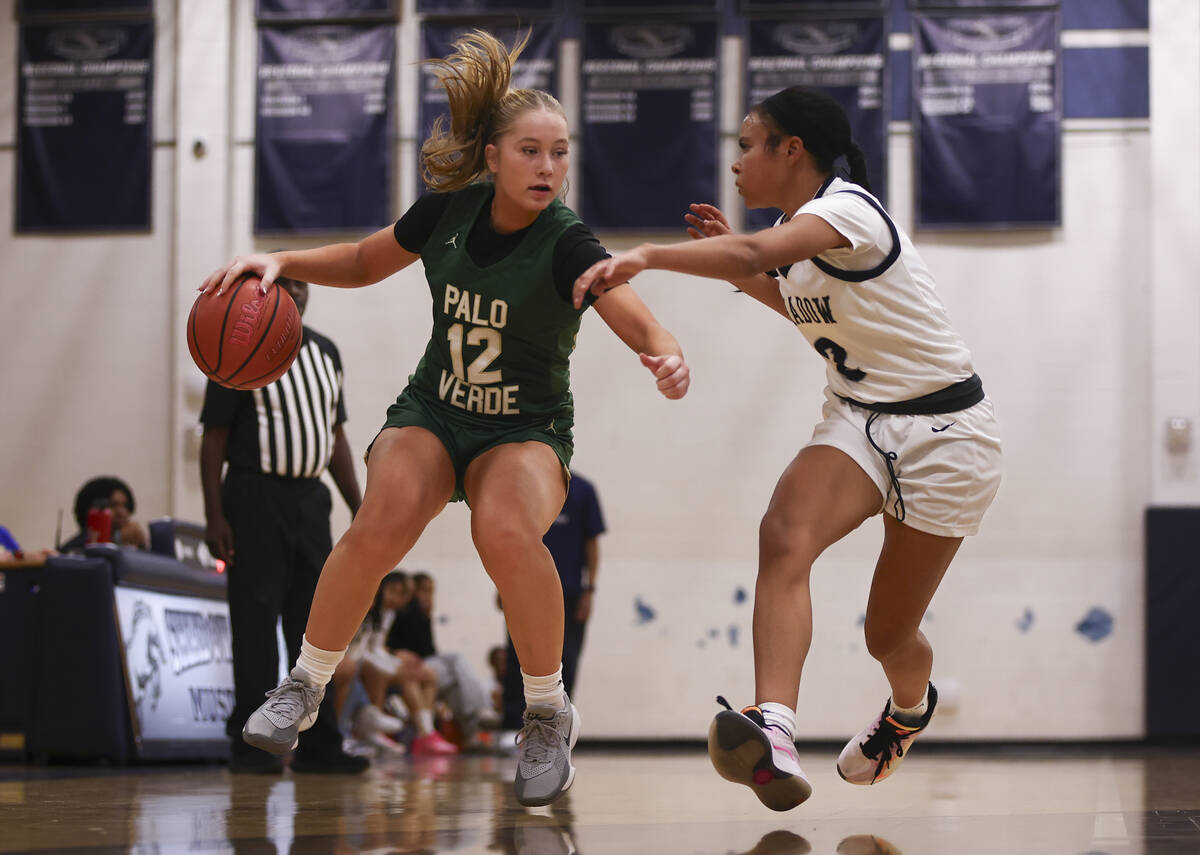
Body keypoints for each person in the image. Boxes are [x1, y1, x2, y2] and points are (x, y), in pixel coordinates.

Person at [199, 29, 690, 806]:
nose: (548, 167)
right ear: (492, 156)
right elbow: (365, 261)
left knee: (502, 531)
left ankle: (546, 710)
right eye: (531, 151)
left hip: (523, 428)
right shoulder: (449, 214)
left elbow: (626, 307)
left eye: (560, 153)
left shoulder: (565, 241)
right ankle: (305, 683)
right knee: (380, 520)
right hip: (435, 406)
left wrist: (663, 349)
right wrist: (280, 261)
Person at [574, 86, 1002, 810]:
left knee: (887, 633)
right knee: (783, 533)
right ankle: (774, 724)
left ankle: (908, 708)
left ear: (790, 150)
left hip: (948, 435)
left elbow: (749, 249)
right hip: (861, 418)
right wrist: (748, 272)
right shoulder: (796, 235)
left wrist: (648, 255)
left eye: (748, 144)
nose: (736, 160)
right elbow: (783, 287)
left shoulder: (849, 210)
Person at [199, 274, 369, 775]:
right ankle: (250, 745)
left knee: (317, 625)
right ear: (263, 294)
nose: (295, 291)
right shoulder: (236, 351)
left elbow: (334, 435)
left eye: (301, 284)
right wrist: (214, 514)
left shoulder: (326, 352)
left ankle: (320, 745)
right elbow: (214, 438)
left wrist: (360, 507)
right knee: (254, 622)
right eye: (284, 284)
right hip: (254, 496)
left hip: (311, 501)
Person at [501, 470, 604, 733]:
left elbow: (592, 542)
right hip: (524, 588)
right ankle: (513, 726)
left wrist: (589, 590)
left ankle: (558, 728)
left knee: (567, 659)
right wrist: (502, 583)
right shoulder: (526, 486)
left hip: (569, 593)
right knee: (517, 658)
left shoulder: (583, 490)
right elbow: (507, 539)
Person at [345, 569, 457, 755]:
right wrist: (396, 662)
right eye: (393, 592)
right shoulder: (368, 607)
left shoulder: (389, 614)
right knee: (389, 672)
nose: (396, 598)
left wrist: (396, 662)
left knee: (427, 675)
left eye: (402, 594)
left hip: (369, 658)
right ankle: (373, 727)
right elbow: (361, 650)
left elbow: (377, 648)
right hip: (355, 659)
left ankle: (425, 732)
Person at [386, 571, 492, 748]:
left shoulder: (423, 614)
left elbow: (430, 649)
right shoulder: (403, 612)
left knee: (455, 686)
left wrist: (425, 616)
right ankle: (482, 709)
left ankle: (472, 736)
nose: (428, 595)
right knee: (456, 660)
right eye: (424, 590)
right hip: (408, 663)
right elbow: (399, 645)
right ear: (412, 591)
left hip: (424, 663)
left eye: (431, 591)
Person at [59, 476, 149, 552]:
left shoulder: (132, 543)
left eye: (126, 505)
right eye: (113, 505)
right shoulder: (73, 550)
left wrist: (140, 546)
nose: (122, 512)